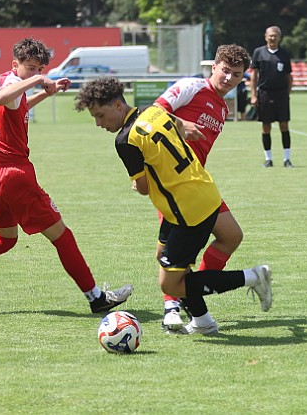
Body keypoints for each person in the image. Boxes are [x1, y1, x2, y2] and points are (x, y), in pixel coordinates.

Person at [0, 38, 132, 314]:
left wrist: (45, 91)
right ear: (15, 65)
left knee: (6, 239)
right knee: (62, 236)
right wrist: (39, 80)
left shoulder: (9, 82)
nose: (35, 72)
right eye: (30, 67)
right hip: (14, 175)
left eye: (39, 67)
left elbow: (16, 103)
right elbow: (6, 97)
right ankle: (96, 298)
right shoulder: (9, 85)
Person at [75, 76, 272, 335]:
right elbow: (179, 126)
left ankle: (254, 277)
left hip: (187, 211)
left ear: (118, 106)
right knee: (163, 256)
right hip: (202, 190)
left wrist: (139, 183)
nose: (99, 123)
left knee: (171, 284)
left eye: (100, 115)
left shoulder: (125, 140)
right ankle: (202, 321)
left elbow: (144, 188)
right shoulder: (154, 111)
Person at [152, 44, 251, 332]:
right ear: (214, 67)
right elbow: (153, 113)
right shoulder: (192, 86)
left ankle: (189, 291)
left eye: (236, 75)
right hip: (173, 181)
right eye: (225, 71)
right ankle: (173, 304)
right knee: (172, 249)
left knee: (231, 236)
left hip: (198, 183)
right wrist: (182, 123)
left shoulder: (223, 107)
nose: (229, 78)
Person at [250, 26, 293, 168]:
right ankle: (268, 159)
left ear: (280, 37)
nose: (272, 38)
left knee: (284, 125)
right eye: (270, 35)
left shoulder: (284, 54)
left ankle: (287, 159)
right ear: (265, 36)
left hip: (281, 94)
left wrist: (287, 93)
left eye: (275, 36)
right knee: (266, 126)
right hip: (264, 94)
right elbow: (254, 76)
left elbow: (288, 76)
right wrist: (254, 95)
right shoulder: (258, 52)